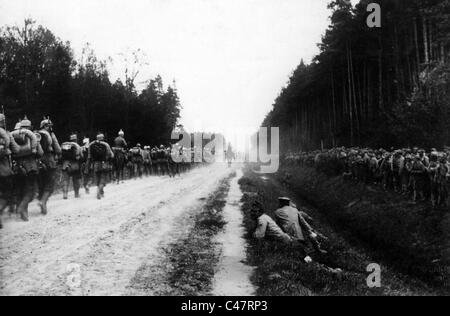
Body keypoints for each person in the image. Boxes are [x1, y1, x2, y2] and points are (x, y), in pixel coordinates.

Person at [11, 117, 42, 221]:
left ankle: (20, 210)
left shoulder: (13, 136)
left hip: (16, 166)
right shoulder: (32, 136)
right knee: (29, 190)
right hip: (30, 166)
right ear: (29, 127)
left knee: (20, 188)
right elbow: (40, 153)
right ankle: (23, 210)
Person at [37, 117, 61, 215]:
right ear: (45, 126)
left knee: (41, 183)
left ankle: (42, 202)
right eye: (49, 126)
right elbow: (58, 149)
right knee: (50, 183)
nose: (50, 127)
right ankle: (43, 202)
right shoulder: (50, 134)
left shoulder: (36, 134)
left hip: (38, 161)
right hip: (48, 160)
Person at [0, 113, 20, 228]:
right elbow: (16, 149)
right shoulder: (5, 134)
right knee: (7, 193)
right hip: (3, 170)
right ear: (3, 122)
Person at [88, 133, 114, 199]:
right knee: (103, 179)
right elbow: (111, 155)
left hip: (95, 164)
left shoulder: (91, 144)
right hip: (104, 164)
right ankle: (99, 192)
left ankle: (101, 192)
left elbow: (89, 156)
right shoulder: (106, 144)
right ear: (103, 138)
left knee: (97, 179)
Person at [61, 133, 82, 199]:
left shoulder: (64, 145)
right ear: (76, 139)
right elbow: (81, 156)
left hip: (65, 165)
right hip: (74, 165)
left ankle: (65, 194)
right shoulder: (77, 145)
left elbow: (60, 155)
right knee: (76, 180)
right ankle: (76, 194)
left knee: (65, 180)